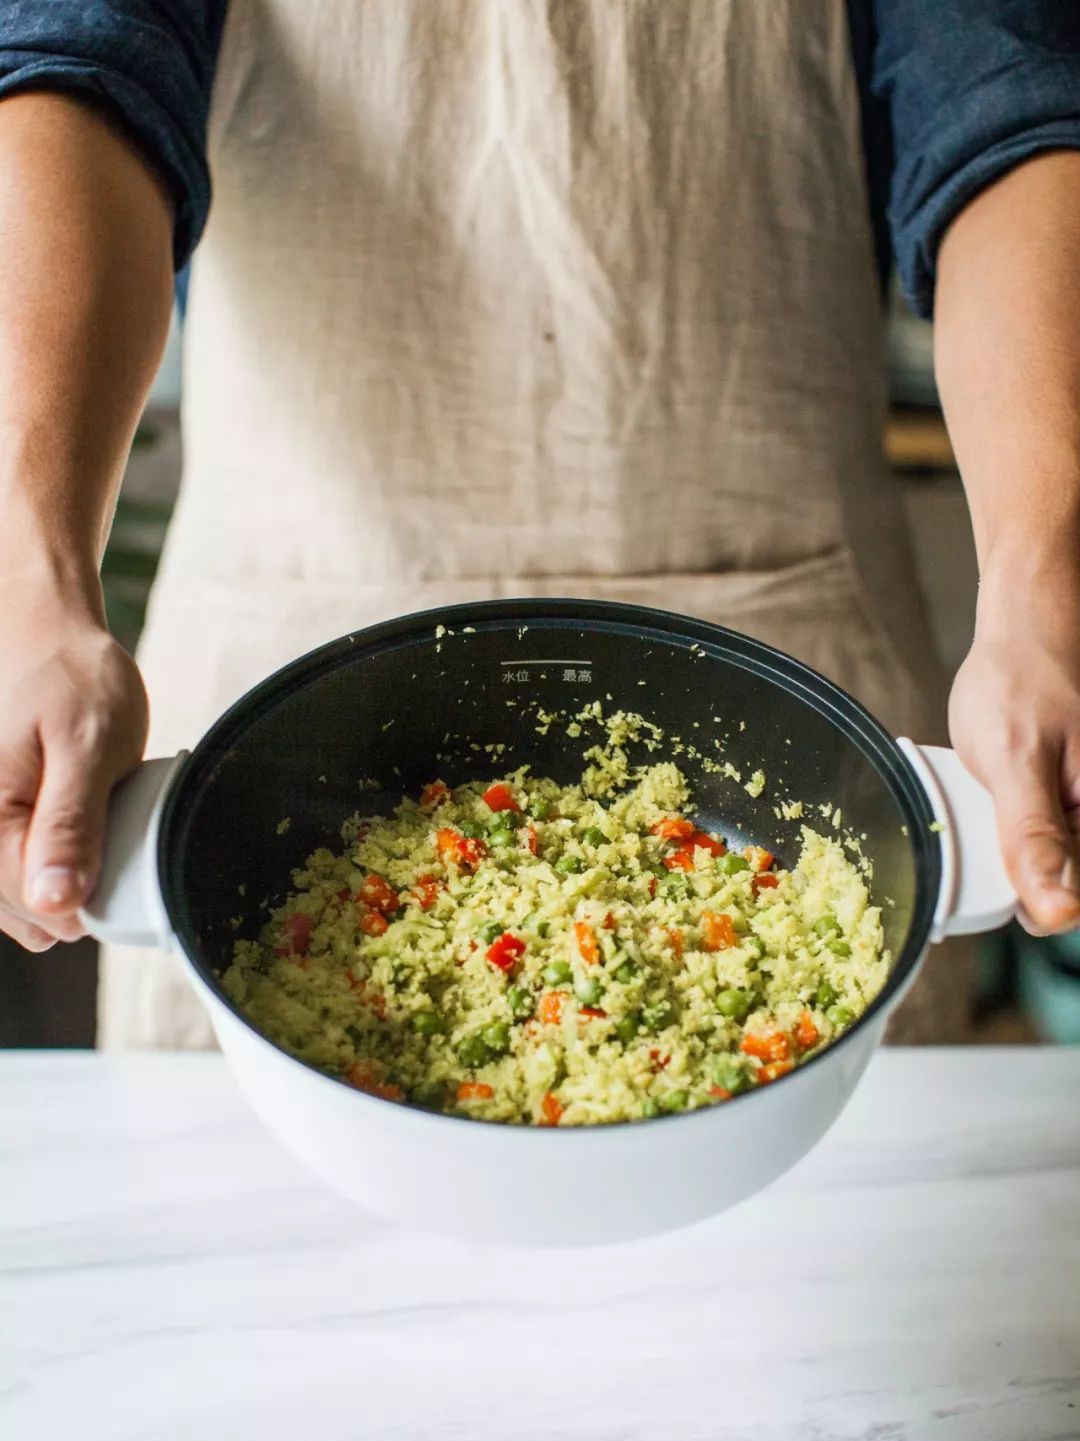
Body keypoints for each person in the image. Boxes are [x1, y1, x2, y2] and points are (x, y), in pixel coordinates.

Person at [1, 3, 1079, 1049]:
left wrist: (1041, 579)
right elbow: (81, 61)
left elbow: (1004, 102)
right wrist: (32, 572)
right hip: (286, 619)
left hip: (790, 647)